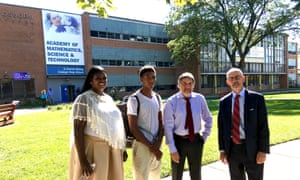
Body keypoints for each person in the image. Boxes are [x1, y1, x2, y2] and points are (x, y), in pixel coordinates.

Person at [68, 66, 126, 180]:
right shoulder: (84, 99)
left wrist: (121, 148)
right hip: (93, 150)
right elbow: (77, 131)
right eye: (98, 78)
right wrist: (83, 160)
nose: (102, 81)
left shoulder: (108, 98)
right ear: (91, 80)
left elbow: (116, 125)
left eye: (104, 78)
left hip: (113, 149)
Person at [217, 67, 270, 180]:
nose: (234, 80)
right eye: (231, 78)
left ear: (243, 78)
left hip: (253, 149)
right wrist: (222, 150)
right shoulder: (224, 102)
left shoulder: (257, 98)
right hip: (232, 149)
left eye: (237, 77)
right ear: (227, 82)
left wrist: (263, 150)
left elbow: (263, 126)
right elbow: (221, 128)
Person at [163, 72, 213, 180]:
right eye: (184, 83)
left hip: (195, 140)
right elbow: (168, 127)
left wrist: (203, 137)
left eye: (190, 83)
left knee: (196, 174)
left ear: (193, 85)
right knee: (177, 174)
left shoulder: (200, 99)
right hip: (178, 141)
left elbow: (208, 118)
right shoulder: (171, 102)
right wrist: (172, 149)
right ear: (178, 85)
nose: (187, 86)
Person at [127, 65, 164, 180]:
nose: (151, 80)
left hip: (156, 144)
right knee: (141, 177)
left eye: (153, 77)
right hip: (142, 145)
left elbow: (161, 123)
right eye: (148, 77)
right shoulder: (134, 99)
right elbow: (133, 128)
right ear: (141, 79)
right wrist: (151, 147)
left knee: (155, 177)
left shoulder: (157, 98)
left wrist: (158, 143)